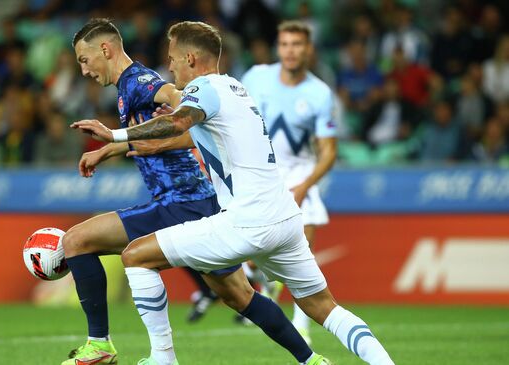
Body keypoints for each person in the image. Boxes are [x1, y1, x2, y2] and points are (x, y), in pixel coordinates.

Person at [74, 21, 395, 365]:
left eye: (173, 59)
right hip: (285, 218)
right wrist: (133, 146)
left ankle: (162, 359)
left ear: (191, 58)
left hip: (248, 221)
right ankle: (331, 362)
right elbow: (192, 134)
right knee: (325, 308)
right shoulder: (235, 88)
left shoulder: (204, 89)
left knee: (136, 255)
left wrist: (115, 135)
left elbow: (179, 122)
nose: (169, 67)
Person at [240, 21, 338, 343]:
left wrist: (305, 186)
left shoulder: (319, 93)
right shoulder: (256, 78)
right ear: (277, 48)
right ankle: (263, 279)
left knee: (303, 253)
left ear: (308, 49)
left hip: (299, 175)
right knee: (252, 258)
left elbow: (328, 151)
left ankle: (301, 325)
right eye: (285, 44)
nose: (291, 50)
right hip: (260, 175)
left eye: (297, 44)